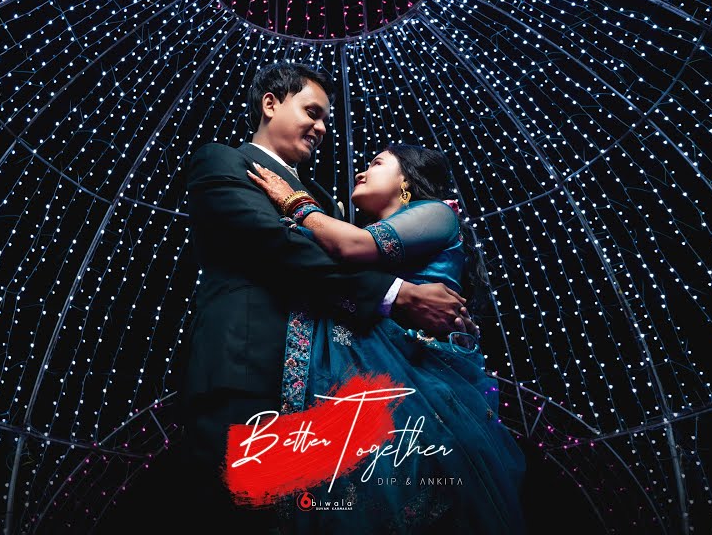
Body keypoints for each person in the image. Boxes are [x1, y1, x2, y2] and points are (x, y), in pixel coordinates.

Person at [179, 61, 477, 530]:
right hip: (245, 369)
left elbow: (349, 257)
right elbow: (276, 246)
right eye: (311, 112)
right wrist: (397, 294)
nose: (321, 129)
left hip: (324, 395)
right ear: (270, 104)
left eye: (325, 120)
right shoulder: (223, 161)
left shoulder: (325, 199)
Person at [246, 143, 527, 532]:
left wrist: (296, 203)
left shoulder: (437, 213)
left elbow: (350, 246)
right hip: (374, 370)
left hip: (418, 377)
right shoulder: (363, 237)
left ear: (406, 179)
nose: (361, 172)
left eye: (376, 163)